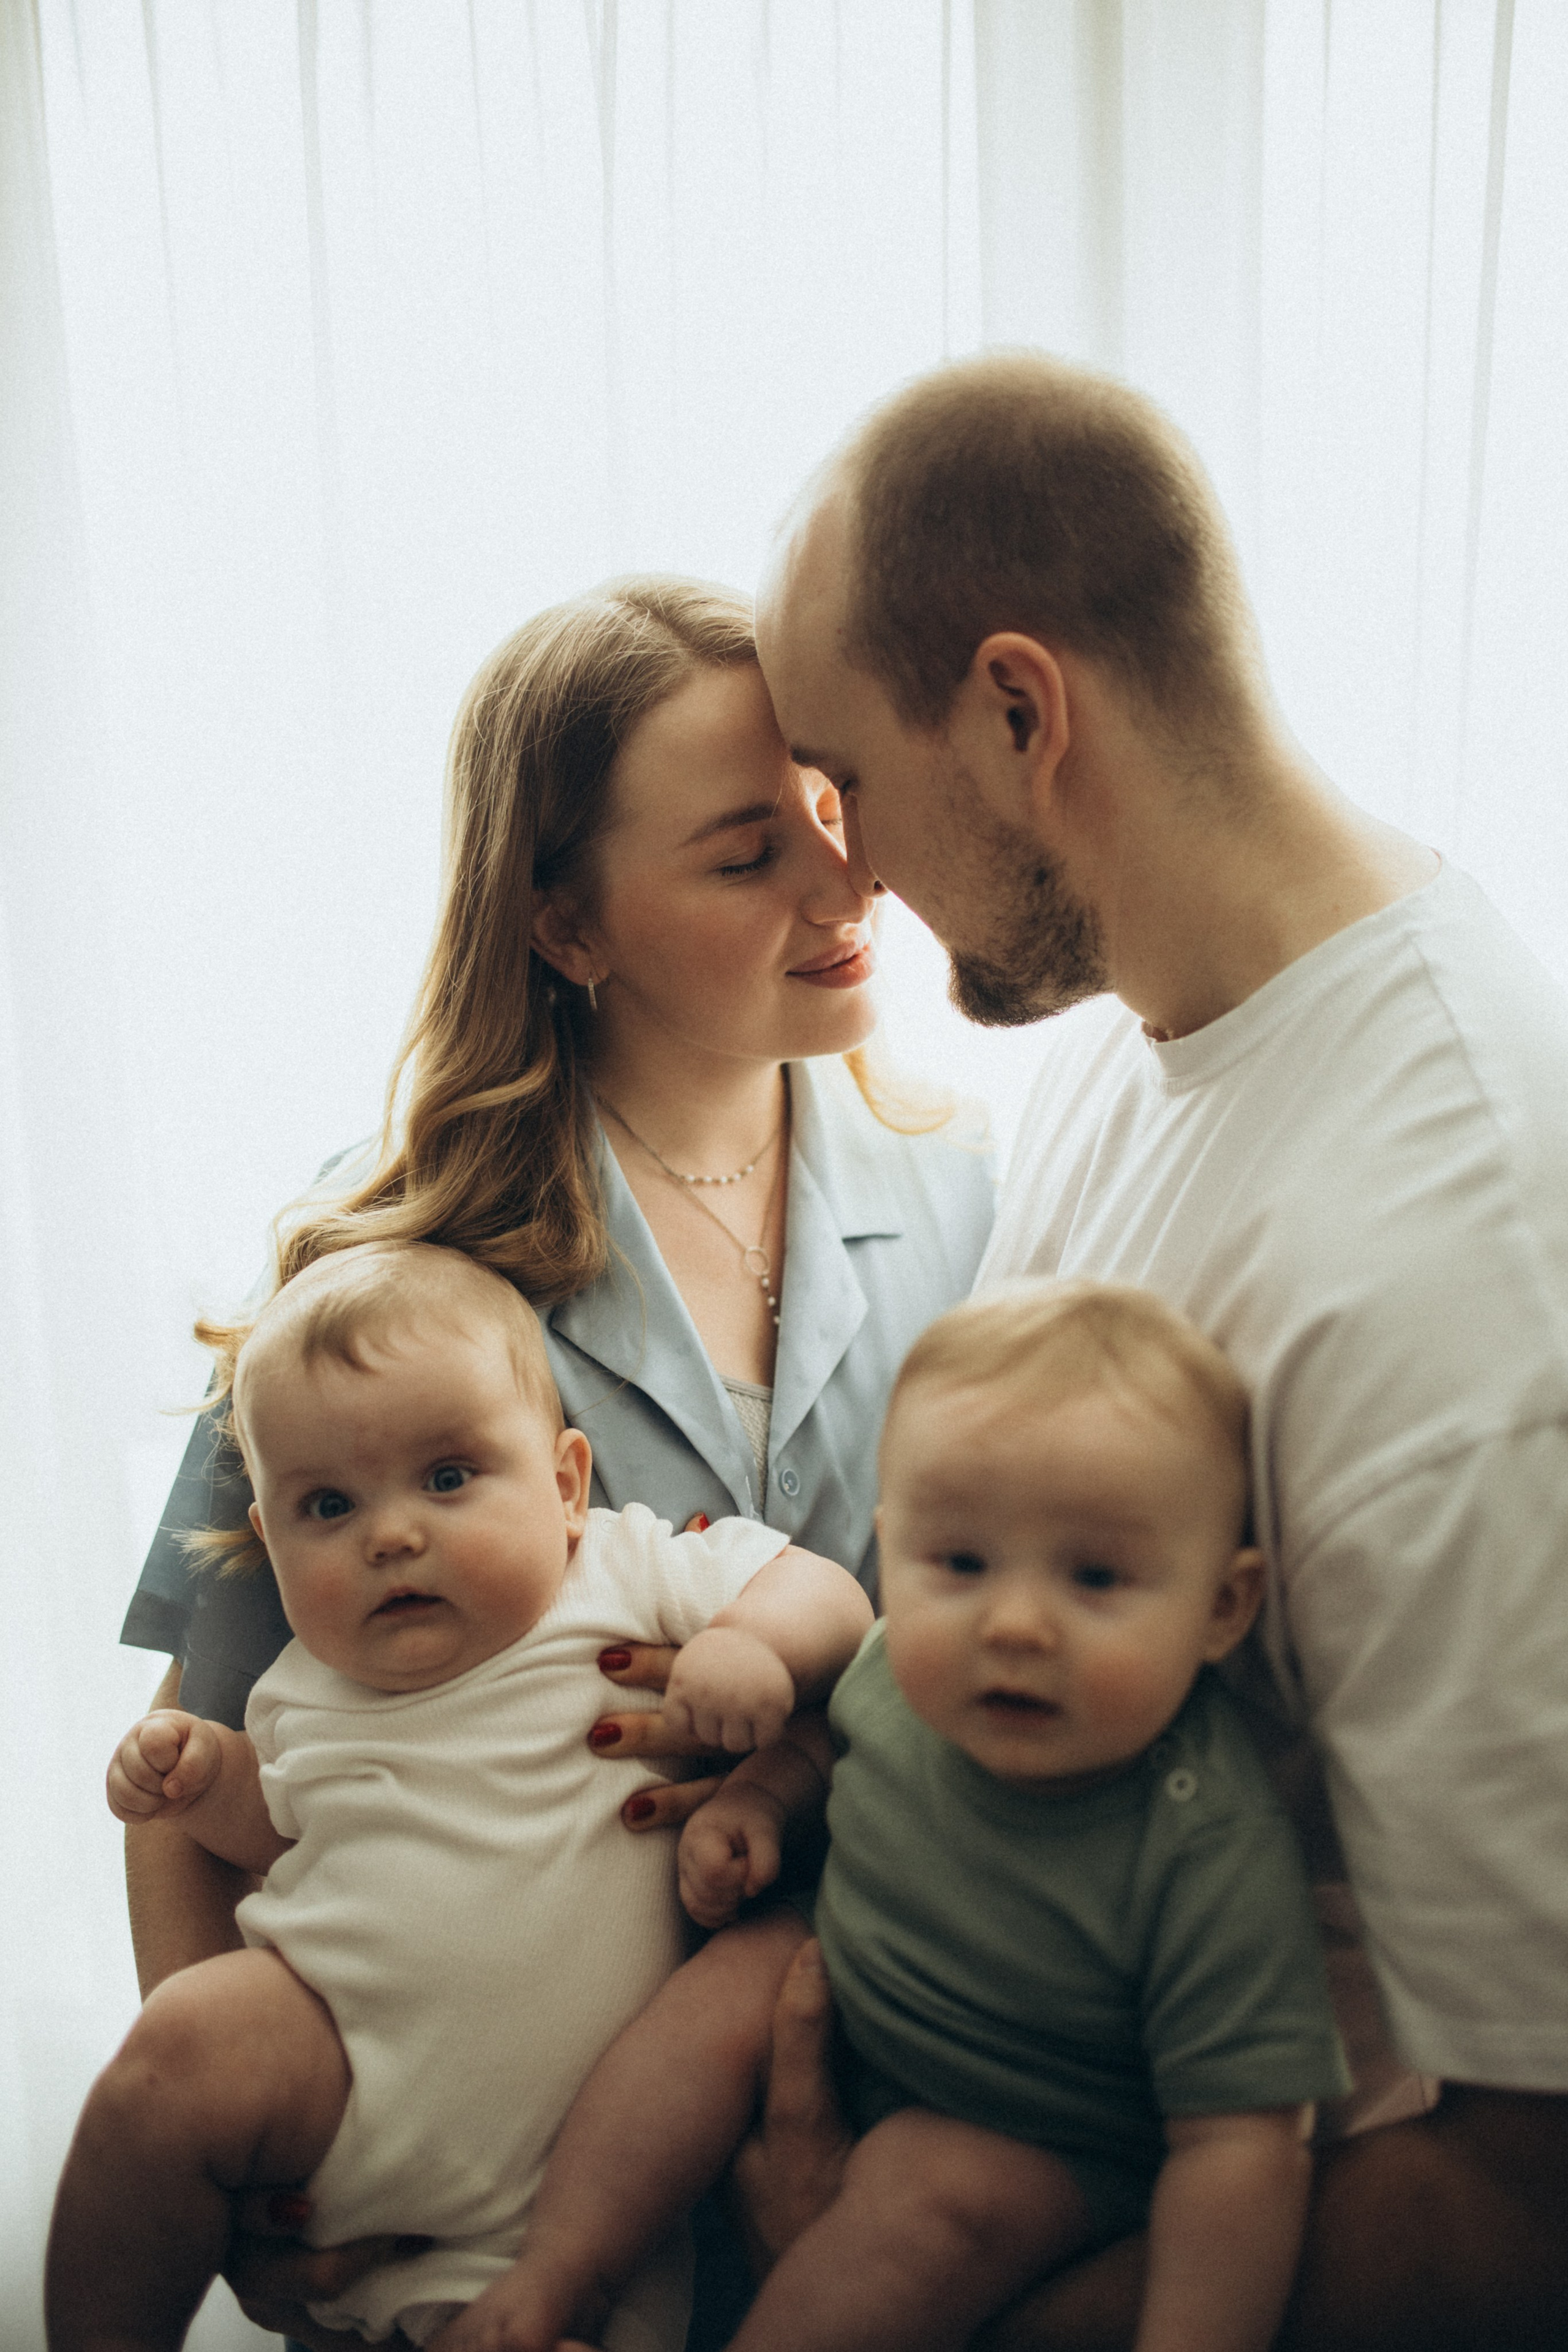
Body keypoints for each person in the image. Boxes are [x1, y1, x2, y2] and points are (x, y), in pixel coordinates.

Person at [745, 352, 1568, 2349]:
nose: (843, 865)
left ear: (1022, 712)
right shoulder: (1147, 1029)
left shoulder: (1458, 1271)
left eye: (847, 774)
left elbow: (1525, 2197)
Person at [114, 578, 993, 2338]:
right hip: (461, 2194)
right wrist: (246, 2203)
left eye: (830, 812)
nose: (845, 887)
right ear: (567, 925)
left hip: (864, 2129)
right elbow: (191, 1777)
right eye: (749, 856)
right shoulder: (374, 1272)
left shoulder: (968, 1193)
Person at [429, 1281, 1349, 2352]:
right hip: (852, 1980)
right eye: (958, 1564)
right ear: (892, 1546)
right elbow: (836, 1742)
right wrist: (764, 1803)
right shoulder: (905, 1673)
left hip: (1034, 2130)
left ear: (1223, 1607)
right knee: (716, 1996)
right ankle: (558, 2274)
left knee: (924, 2198)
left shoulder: (1205, 1838)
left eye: (1095, 1577)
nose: (1011, 1624)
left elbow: (1244, 2145)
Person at [56, 1240, 873, 2352]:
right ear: (270, 1541)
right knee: (174, 2062)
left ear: (567, 1484)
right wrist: (196, 1780)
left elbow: (827, 1594)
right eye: (329, 1507)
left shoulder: (627, 1574)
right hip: (339, 2069)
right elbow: (278, 1823)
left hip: (580, 2180)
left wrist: (757, 1647)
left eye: (448, 1479)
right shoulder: (303, 1686)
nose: (391, 1535)